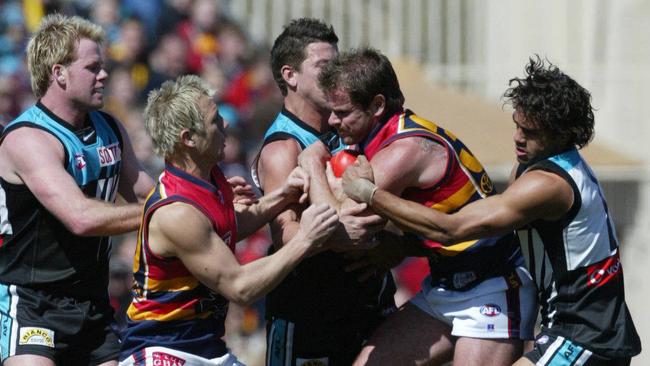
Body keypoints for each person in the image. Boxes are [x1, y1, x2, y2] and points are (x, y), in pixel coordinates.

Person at [342, 56, 643, 365]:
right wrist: (406, 246)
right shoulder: (537, 167)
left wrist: (370, 193)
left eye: (531, 132)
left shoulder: (548, 185)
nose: (517, 137)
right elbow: (493, 235)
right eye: (517, 125)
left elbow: (450, 229)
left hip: (586, 335)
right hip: (552, 322)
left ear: (562, 135)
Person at [299, 47, 538, 365]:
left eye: (342, 113)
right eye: (331, 111)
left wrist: (313, 163)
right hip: (444, 285)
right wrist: (405, 246)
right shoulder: (383, 137)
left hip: (492, 287)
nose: (331, 121)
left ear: (378, 105)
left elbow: (339, 225)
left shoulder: (405, 149)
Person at [118, 74, 339, 366]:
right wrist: (306, 238)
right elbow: (241, 287)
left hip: (204, 346)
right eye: (215, 120)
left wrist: (283, 196)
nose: (226, 125)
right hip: (164, 350)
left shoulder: (208, 179)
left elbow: (228, 226)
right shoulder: (177, 212)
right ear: (189, 139)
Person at [0, 14, 155, 366]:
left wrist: (206, 196)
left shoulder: (110, 128)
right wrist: (167, 207)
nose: (104, 75)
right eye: (93, 67)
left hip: (92, 303)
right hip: (31, 302)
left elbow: (150, 191)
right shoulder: (29, 139)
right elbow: (80, 217)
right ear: (59, 74)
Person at [251, 19, 397, 366]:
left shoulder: (349, 128)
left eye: (338, 64)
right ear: (290, 76)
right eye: (323, 67)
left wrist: (394, 245)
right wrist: (341, 234)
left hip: (367, 301)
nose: (336, 74)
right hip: (311, 313)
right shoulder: (282, 148)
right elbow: (286, 234)